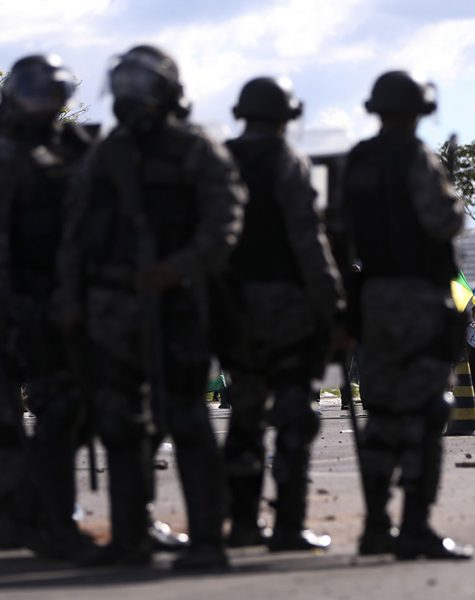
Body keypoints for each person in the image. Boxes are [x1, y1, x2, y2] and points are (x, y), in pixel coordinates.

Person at [55, 45, 247, 569]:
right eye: (123, 84)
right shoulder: (106, 153)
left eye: (140, 85)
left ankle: (208, 539)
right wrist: (71, 301)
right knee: (120, 426)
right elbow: (74, 235)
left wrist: (178, 267)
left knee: (186, 418)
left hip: (177, 306)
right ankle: (130, 537)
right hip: (113, 311)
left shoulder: (195, 149)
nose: (128, 96)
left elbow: (224, 222)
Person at [343, 70, 472, 560]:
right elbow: (443, 220)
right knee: (424, 412)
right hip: (417, 298)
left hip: (373, 298)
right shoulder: (417, 158)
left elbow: (341, 228)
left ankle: (376, 524)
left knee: (382, 414)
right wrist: (452, 191)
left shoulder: (358, 160)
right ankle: (414, 526)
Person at [222, 76, 344, 551]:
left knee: (245, 416)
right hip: (287, 310)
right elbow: (306, 238)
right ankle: (288, 525)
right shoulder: (285, 160)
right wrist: (332, 301)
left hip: (235, 308)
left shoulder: (223, 158)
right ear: (285, 117)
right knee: (294, 415)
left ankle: (243, 520)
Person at [0, 54, 95, 558]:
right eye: (37, 95)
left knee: (69, 415)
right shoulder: (10, 157)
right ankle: (42, 524)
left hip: (60, 306)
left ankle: (39, 519)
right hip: (22, 309)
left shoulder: (73, 151)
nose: (47, 105)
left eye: (54, 95)